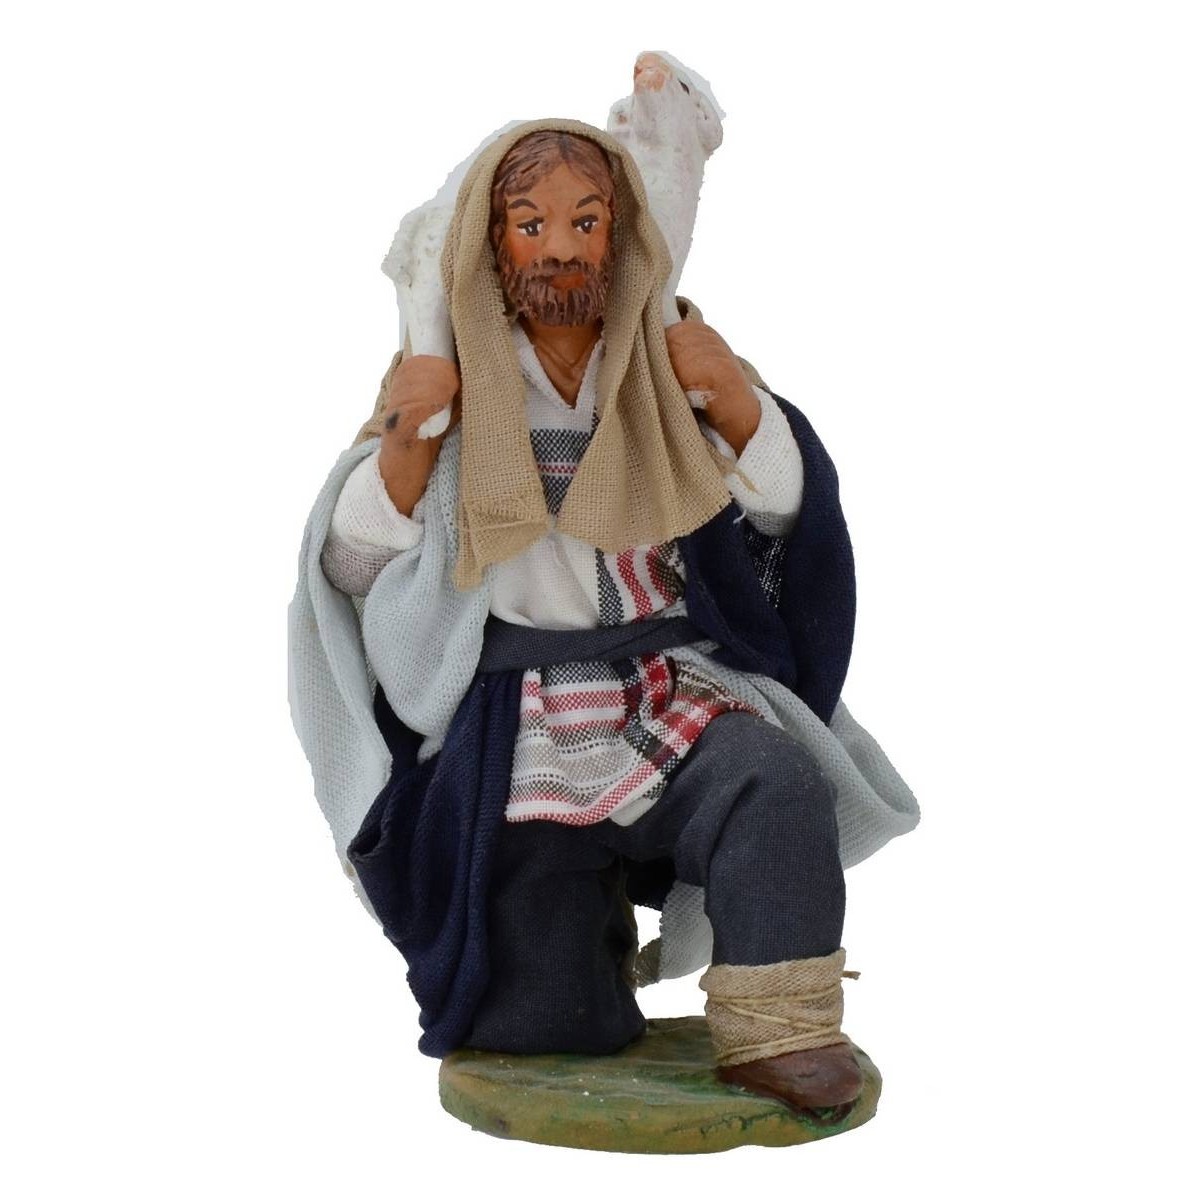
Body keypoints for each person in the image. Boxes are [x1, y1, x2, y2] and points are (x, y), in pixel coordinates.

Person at [289, 118, 919, 1114]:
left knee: (773, 784)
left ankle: (783, 1027)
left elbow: (780, 520)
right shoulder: (452, 391)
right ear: (492, 242)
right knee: (542, 1015)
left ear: (619, 234)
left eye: (585, 222)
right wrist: (407, 445)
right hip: (519, 721)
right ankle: (577, 958)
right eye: (530, 224)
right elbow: (352, 569)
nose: (561, 248)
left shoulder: (667, 374)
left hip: (666, 688)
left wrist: (742, 409)